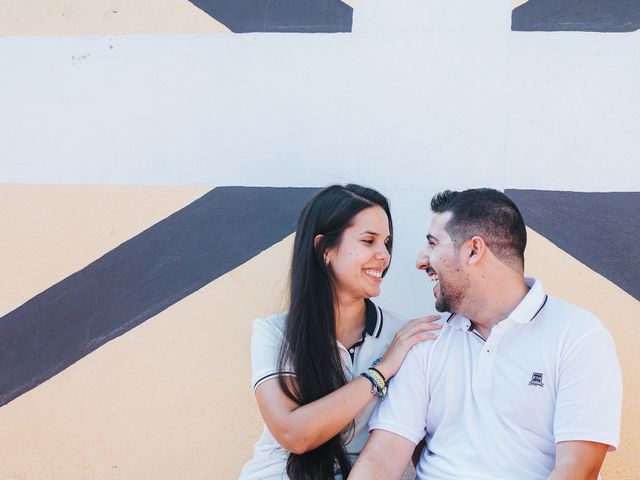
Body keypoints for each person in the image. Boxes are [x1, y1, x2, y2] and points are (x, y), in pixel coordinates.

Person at [350, 188, 622, 480]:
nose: (421, 260)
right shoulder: (426, 338)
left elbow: (577, 471)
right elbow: (382, 458)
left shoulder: (578, 335)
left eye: (432, 244)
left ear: (474, 250)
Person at [239, 184, 442, 480]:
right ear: (325, 249)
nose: (383, 255)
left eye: (386, 242)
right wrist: (382, 370)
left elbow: (422, 446)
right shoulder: (275, 332)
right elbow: (294, 434)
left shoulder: (403, 335)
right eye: (368, 241)